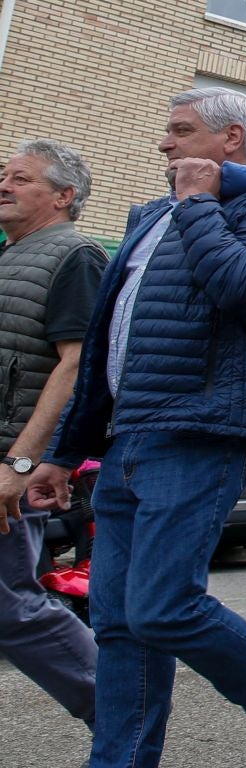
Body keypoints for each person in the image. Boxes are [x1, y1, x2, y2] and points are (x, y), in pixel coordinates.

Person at [27, 94, 246, 767]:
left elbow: (239, 284)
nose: (164, 146)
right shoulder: (149, 216)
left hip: (202, 430)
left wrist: (200, 204)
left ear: (231, 139)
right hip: (127, 438)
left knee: (162, 607)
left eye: (181, 133)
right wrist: (64, 452)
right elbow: (104, 345)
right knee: (118, 623)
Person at [0, 140, 104, 727]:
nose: (4, 184)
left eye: (21, 178)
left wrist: (19, 464)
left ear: (63, 197)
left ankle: (118, 713)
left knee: (11, 604)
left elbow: (75, 365)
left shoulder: (73, 255)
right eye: (2, 175)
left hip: (7, 460)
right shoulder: (10, 255)